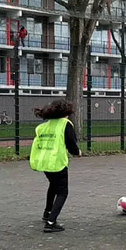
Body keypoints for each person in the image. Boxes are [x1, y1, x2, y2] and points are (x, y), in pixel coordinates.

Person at [29, 99, 82, 232]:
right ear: (66, 112)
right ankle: (51, 222)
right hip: (57, 162)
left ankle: (47, 213)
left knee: (53, 186)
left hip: (44, 162)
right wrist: (78, 152)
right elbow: (71, 143)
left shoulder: (43, 126)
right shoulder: (65, 124)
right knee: (63, 192)